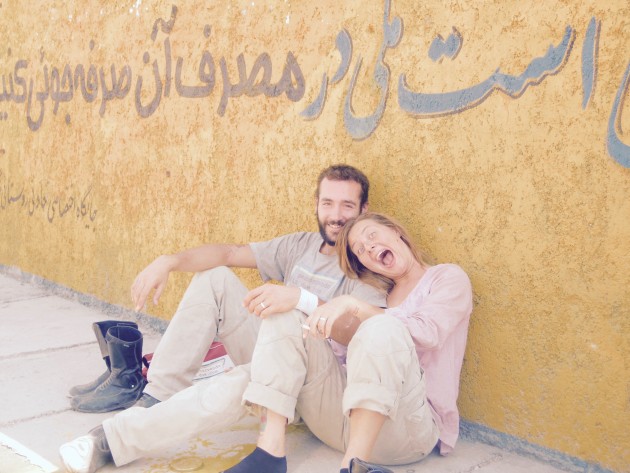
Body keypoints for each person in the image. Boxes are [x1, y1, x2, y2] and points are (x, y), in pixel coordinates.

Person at [58, 164, 387, 473]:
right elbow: (229, 253)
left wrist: (303, 300)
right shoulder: (301, 245)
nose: (336, 215)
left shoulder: (368, 265)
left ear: (363, 209)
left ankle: (112, 441)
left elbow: (366, 333)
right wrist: (169, 261)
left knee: (240, 381)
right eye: (328, 203)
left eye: (347, 205)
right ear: (316, 204)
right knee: (214, 277)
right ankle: (156, 396)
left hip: (314, 386)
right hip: (276, 353)